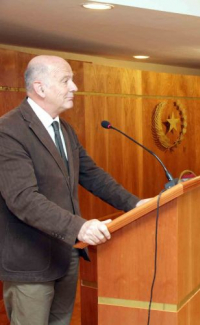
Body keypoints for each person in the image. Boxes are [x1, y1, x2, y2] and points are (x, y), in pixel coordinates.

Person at [0, 55, 149, 325]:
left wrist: (134, 204)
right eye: (66, 80)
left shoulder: (65, 129)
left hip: (67, 252)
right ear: (40, 87)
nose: (75, 87)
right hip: (30, 262)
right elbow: (23, 199)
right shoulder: (8, 131)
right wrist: (79, 227)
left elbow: (91, 175)